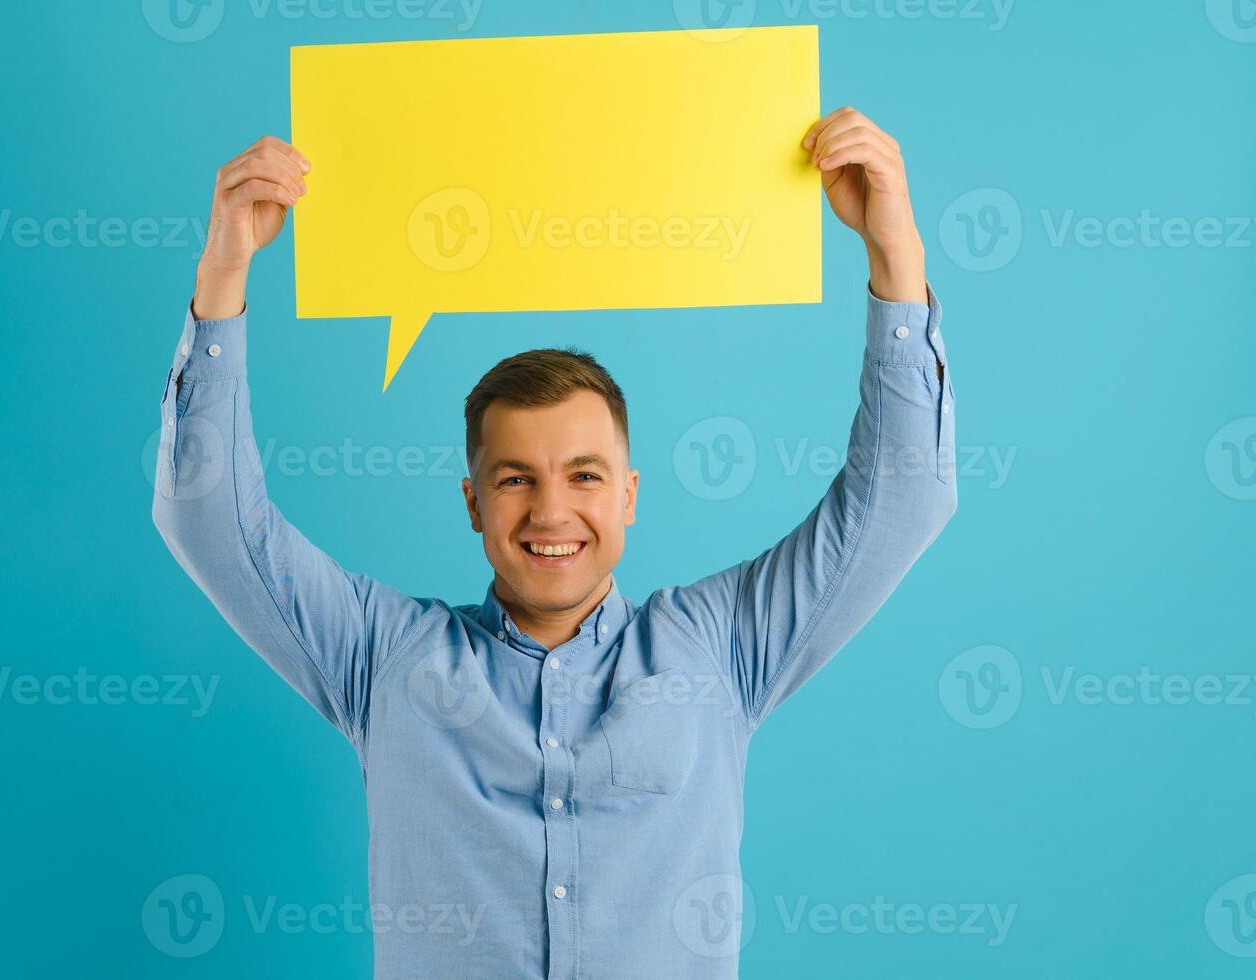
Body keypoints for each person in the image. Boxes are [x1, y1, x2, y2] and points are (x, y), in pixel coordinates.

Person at [152, 105, 956, 979]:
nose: (550, 511)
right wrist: (223, 272)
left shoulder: (721, 647)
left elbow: (900, 502)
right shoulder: (383, 658)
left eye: (582, 475)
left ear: (629, 495)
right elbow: (210, 520)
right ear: (471, 501)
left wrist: (895, 257)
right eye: (514, 478)